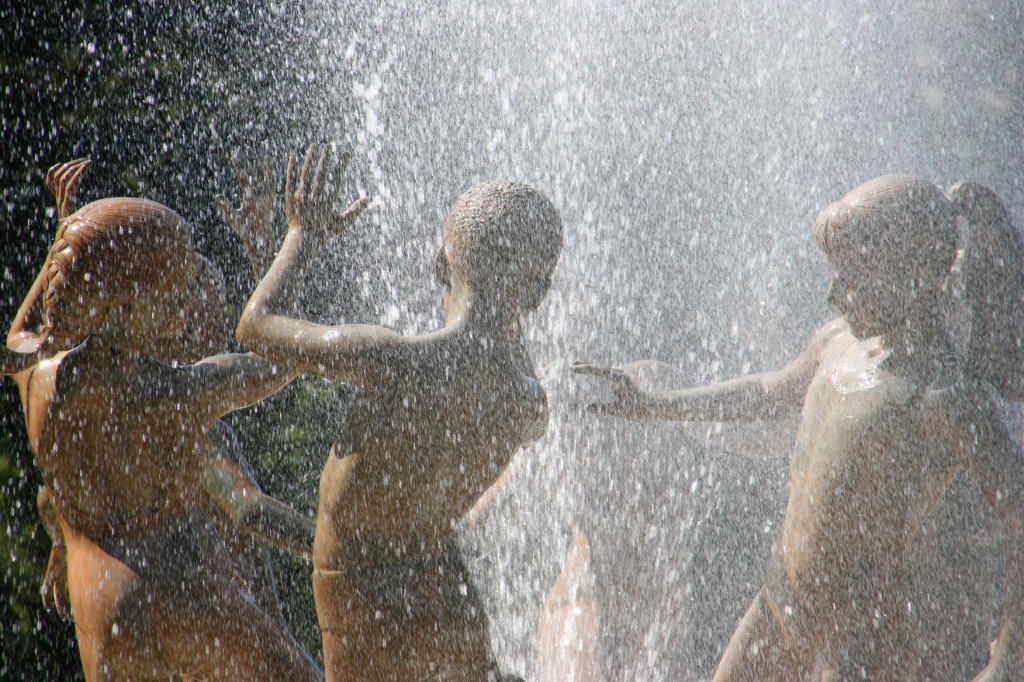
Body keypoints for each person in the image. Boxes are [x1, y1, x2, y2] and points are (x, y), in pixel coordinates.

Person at [574, 175, 1024, 680]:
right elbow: (767, 394)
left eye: (851, 277)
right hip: (780, 598)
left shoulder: (940, 393)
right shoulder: (835, 344)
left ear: (908, 274)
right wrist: (656, 405)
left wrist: (1009, 657)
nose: (833, 293)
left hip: (859, 633)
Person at [236, 143, 562, 681]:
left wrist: (301, 235)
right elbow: (510, 343)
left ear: (440, 263)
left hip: (361, 592)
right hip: (445, 598)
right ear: (537, 293)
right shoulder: (527, 403)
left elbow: (255, 325)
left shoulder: (391, 362)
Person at [3, 160, 323, 681]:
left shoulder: (38, 381)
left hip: (106, 617)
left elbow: (19, 341)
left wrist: (66, 243)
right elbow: (283, 359)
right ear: (122, 308)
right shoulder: (174, 395)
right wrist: (298, 241)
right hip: (187, 593)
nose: (183, 308)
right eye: (172, 295)